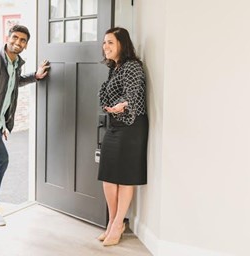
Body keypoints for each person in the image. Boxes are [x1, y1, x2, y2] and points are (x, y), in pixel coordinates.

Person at [0, 25, 50, 226]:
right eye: (15, 37)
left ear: (26, 44)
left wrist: (36, 76)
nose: (18, 42)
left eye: (23, 40)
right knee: (1, 160)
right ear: (7, 37)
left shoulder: (14, 63)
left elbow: (14, 83)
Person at [97, 27, 148, 246]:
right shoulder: (114, 68)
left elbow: (132, 95)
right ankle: (112, 222)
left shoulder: (133, 66)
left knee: (125, 177)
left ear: (122, 44)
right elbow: (107, 98)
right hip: (115, 124)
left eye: (110, 42)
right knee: (108, 176)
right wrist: (114, 107)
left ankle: (118, 223)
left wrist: (122, 106)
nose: (105, 46)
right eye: (104, 42)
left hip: (132, 125)